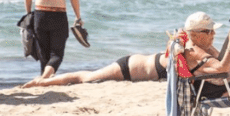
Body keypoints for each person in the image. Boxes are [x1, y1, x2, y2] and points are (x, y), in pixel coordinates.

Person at [20, 51, 171, 87]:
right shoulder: (177, 51)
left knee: (88, 77)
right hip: (126, 68)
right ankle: (41, 82)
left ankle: (44, 80)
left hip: (131, 69)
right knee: (84, 78)